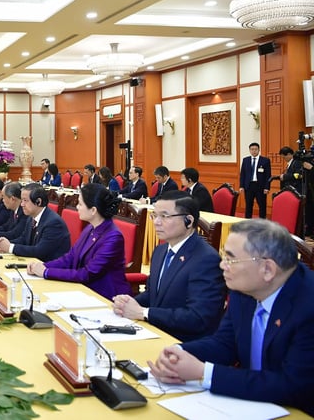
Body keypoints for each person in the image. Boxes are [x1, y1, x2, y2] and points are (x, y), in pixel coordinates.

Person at [148, 220, 314, 416]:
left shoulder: (307, 307)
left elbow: (293, 386)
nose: (222, 265)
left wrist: (203, 372)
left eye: (231, 259)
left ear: (268, 269)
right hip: (255, 403)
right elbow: (225, 344)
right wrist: (179, 352)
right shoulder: (245, 289)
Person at [113, 191, 225, 341]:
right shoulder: (160, 251)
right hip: (155, 331)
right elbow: (153, 295)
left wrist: (143, 313)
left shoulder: (206, 259)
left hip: (184, 343)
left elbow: (198, 317)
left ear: (188, 221)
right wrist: (127, 303)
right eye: (155, 215)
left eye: (164, 216)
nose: (156, 222)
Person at [27, 184, 130, 299]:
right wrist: (42, 266)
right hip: (83, 289)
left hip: (106, 296)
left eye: (80, 204)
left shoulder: (113, 237)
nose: (77, 207)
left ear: (93, 210)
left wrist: (46, 272)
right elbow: (70, 258)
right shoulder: (90, 228)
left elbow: (88, 273)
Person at [0, 183, 71, 261]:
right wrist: (3, 244)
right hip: (34, 263)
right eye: (22, 200)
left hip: (49, 266)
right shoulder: (31, 217)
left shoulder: (54, 223)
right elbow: (23, 239)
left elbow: (39, 251)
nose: (22, 204)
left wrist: (10, 247)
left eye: (25, 200)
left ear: (38, 202)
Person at [239, 142, 271, 218]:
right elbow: (243, 174)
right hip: (249, 186)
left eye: (256, 149)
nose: (254, 151)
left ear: (259, 150)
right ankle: (247, 220)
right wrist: (241, 186)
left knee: (262, 205)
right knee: (248, 205)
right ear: (249, 150)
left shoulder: (265, 160)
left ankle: (262, 221)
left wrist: (267, 187)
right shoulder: (245, 160)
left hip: (260, 186)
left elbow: (268, 175)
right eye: (252, 149)